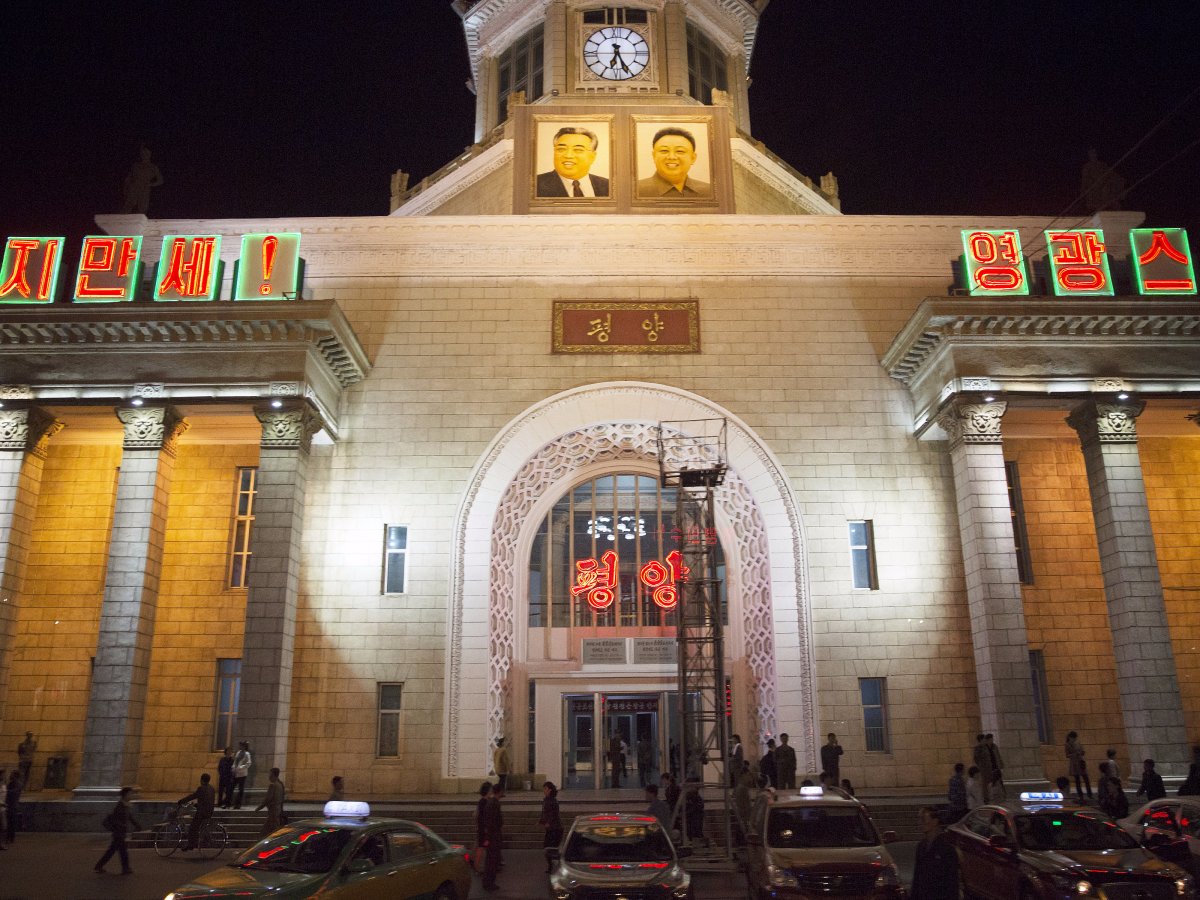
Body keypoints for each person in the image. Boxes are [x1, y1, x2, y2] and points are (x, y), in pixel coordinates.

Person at [535, 127, 610, 198]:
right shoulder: (534, 185)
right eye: (561, 149)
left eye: (578, 150)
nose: (568, 155)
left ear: (592, 156)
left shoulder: (608, 186)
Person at [637, 127, 711, 198]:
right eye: (664, 151)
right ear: (654, 156)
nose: (671, 157)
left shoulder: (709, 191)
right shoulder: (635, 190)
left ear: (693, 158)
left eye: (680, 151)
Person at [909, 805, 959, 899]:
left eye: (923, 819)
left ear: (935, 821)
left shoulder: (947, 849)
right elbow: (917, 877)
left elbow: (952, 883)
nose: (920, 823)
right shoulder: (921, 847)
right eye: (919, 819)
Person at [95, 786, 140, 875]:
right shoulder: (120, 806)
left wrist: (136, 825)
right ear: (125, 795)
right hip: (118, 833)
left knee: (112, 851)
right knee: (122, 851)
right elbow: (116, 819)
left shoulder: (125, 805)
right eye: (130, 794)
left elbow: (129, 817)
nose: (132, 796)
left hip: (120, 833)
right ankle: (125, 868)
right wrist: (122, 826)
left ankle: (99, 866)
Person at [177, 772, 217, 851]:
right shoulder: (212, 788)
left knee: (192, 828)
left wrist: (181, 801)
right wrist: (197, 805)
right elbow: (207, 800)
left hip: (202, 813)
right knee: (197, 826)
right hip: (209, 812)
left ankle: (191, 845)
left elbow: (193, 796)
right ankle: (195, 841)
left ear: (202, 780)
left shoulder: (201, 788)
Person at [120, 146, 164, 214]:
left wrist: (150, 184)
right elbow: (128, 178)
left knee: (142, 209)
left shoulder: (153, 167)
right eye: (143, 153)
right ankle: (120, 221)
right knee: (128, 205)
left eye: (147, 153)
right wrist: (125, 189)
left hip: (144, 189)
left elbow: (160, 180)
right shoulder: (136, 165)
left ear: (150, 154)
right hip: (133, 188)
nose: (145, 155)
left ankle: (138, 223)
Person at [480, 785, 504, 891]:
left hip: (492, 836)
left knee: (490, 860)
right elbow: (493, 822)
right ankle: (489, 883)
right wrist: (488, 838)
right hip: (494, 836)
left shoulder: (490, 803)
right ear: (499, 792)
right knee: (492, 861)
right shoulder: (494, 804)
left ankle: (487, 882)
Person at [539, 781, 562, 873]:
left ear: (550, 790)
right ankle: (552, 866)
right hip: (551, 828)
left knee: (551, 848)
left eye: (545, 789)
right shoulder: (546, 800)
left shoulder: (553, 801)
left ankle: (556, 866)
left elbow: (554, 814)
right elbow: (544, 812)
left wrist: (548, 822)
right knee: (548, 847)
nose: (544, 791)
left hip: (555, 829)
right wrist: (541, 821)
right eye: (544, 789)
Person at [256, 767, 286, 836]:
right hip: (277, 810)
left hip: (273, 810)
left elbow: (268, 798)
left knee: (269, 830)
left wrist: (259, 808)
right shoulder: (280, 784)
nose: (269, 776)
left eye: (270, 774)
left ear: (273, 775)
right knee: (271, 828)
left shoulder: (273, 785)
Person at [1065, 731, 1092, 800]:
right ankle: (1081, 795)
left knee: (1086, 779)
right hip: (1074, 764)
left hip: (1080, 762)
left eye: (1075, 738)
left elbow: (1083, 751)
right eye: (1073, 738)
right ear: (1070, 737)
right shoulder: (1067, 744)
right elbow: (1067, 755)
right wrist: (1074, 754)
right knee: (1077, 780)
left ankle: (1089, 794)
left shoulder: (1078, 742)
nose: (1074, 739)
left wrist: (1081, 752)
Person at [972, 734, 994, 803]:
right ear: (981, 740)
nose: (985, 740)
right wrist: (981, 766)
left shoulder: (985, 747)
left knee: (989, 783)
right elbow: (976, 758)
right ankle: (986, 799)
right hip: (983, 769)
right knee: (984, 784)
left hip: (988, 768)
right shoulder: (978, 748)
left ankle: (990, 797)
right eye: (984, 739)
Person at [683, 780, 705, 846]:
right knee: (692, 832)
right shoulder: (689, 796)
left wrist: (687, 812)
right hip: (691, 817)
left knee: (696, 832)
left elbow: (697, 807)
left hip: (695, 817)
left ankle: (697, 844)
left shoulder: (695, 797)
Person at [985, 734, 1006, 800]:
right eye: (991, 739)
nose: (992, 740)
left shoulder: (994, 746)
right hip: (990, 768)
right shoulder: (985, 748)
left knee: (999, 781)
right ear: (987, 740)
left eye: (992, 739)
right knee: (992, 782)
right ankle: (992, 796)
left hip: (996, 767)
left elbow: (998, 756)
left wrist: (1001, 764)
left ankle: (1003, 794)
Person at [231, 741, 251, 809]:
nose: (240, 747)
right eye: (240, 746)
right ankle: (229, 802)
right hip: (236, 773)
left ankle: (238, 804)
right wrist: (233, 767)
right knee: (231, 787)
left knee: (240, 789)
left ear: (244, 746)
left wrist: (240, 767)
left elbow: (248, 763)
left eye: (241, 746)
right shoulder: (238, 752)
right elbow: (235, 761)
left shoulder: (247, 754)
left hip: (242, 774)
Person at [5, 769, 22, 843]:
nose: (10, 775)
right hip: (10, 805)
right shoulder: (11, 783)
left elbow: (14, 792)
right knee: (10, 822)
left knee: (11, 822)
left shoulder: (18, 784)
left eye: (12, 774)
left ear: (15, 776)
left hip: (13, 806)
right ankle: (10, 837)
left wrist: (4, 791)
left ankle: (10, 837)